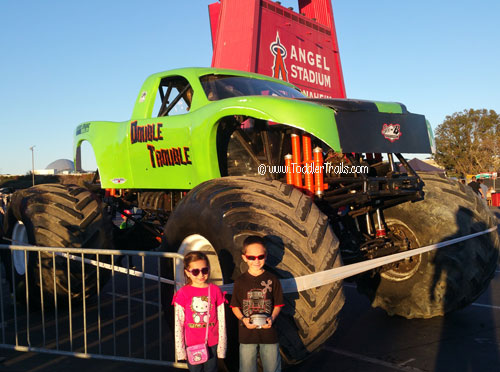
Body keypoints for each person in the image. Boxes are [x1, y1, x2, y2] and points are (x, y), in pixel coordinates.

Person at [230, 236, 284, 372]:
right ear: (244, 257)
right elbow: (235, 306)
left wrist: (272, 318)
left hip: (269, 333)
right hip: (246, 334)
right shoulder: (240, 281)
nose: (256, 261)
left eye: (260, 256)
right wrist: (243, 319)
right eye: (251, 257)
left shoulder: (272, 279)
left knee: (272, 368)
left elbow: (278, 304)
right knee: (247, 368)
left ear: (266, 256)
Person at [173, 251, 226, 371]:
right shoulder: (183, 293)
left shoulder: (215, 291)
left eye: (205, 270)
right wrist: (180, 351)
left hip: (212, 343)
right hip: (192, 344)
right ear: (187, 272)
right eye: (196, 271)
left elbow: (222, 320)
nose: (201, 274)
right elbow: (178, 323)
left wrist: (222, 347)